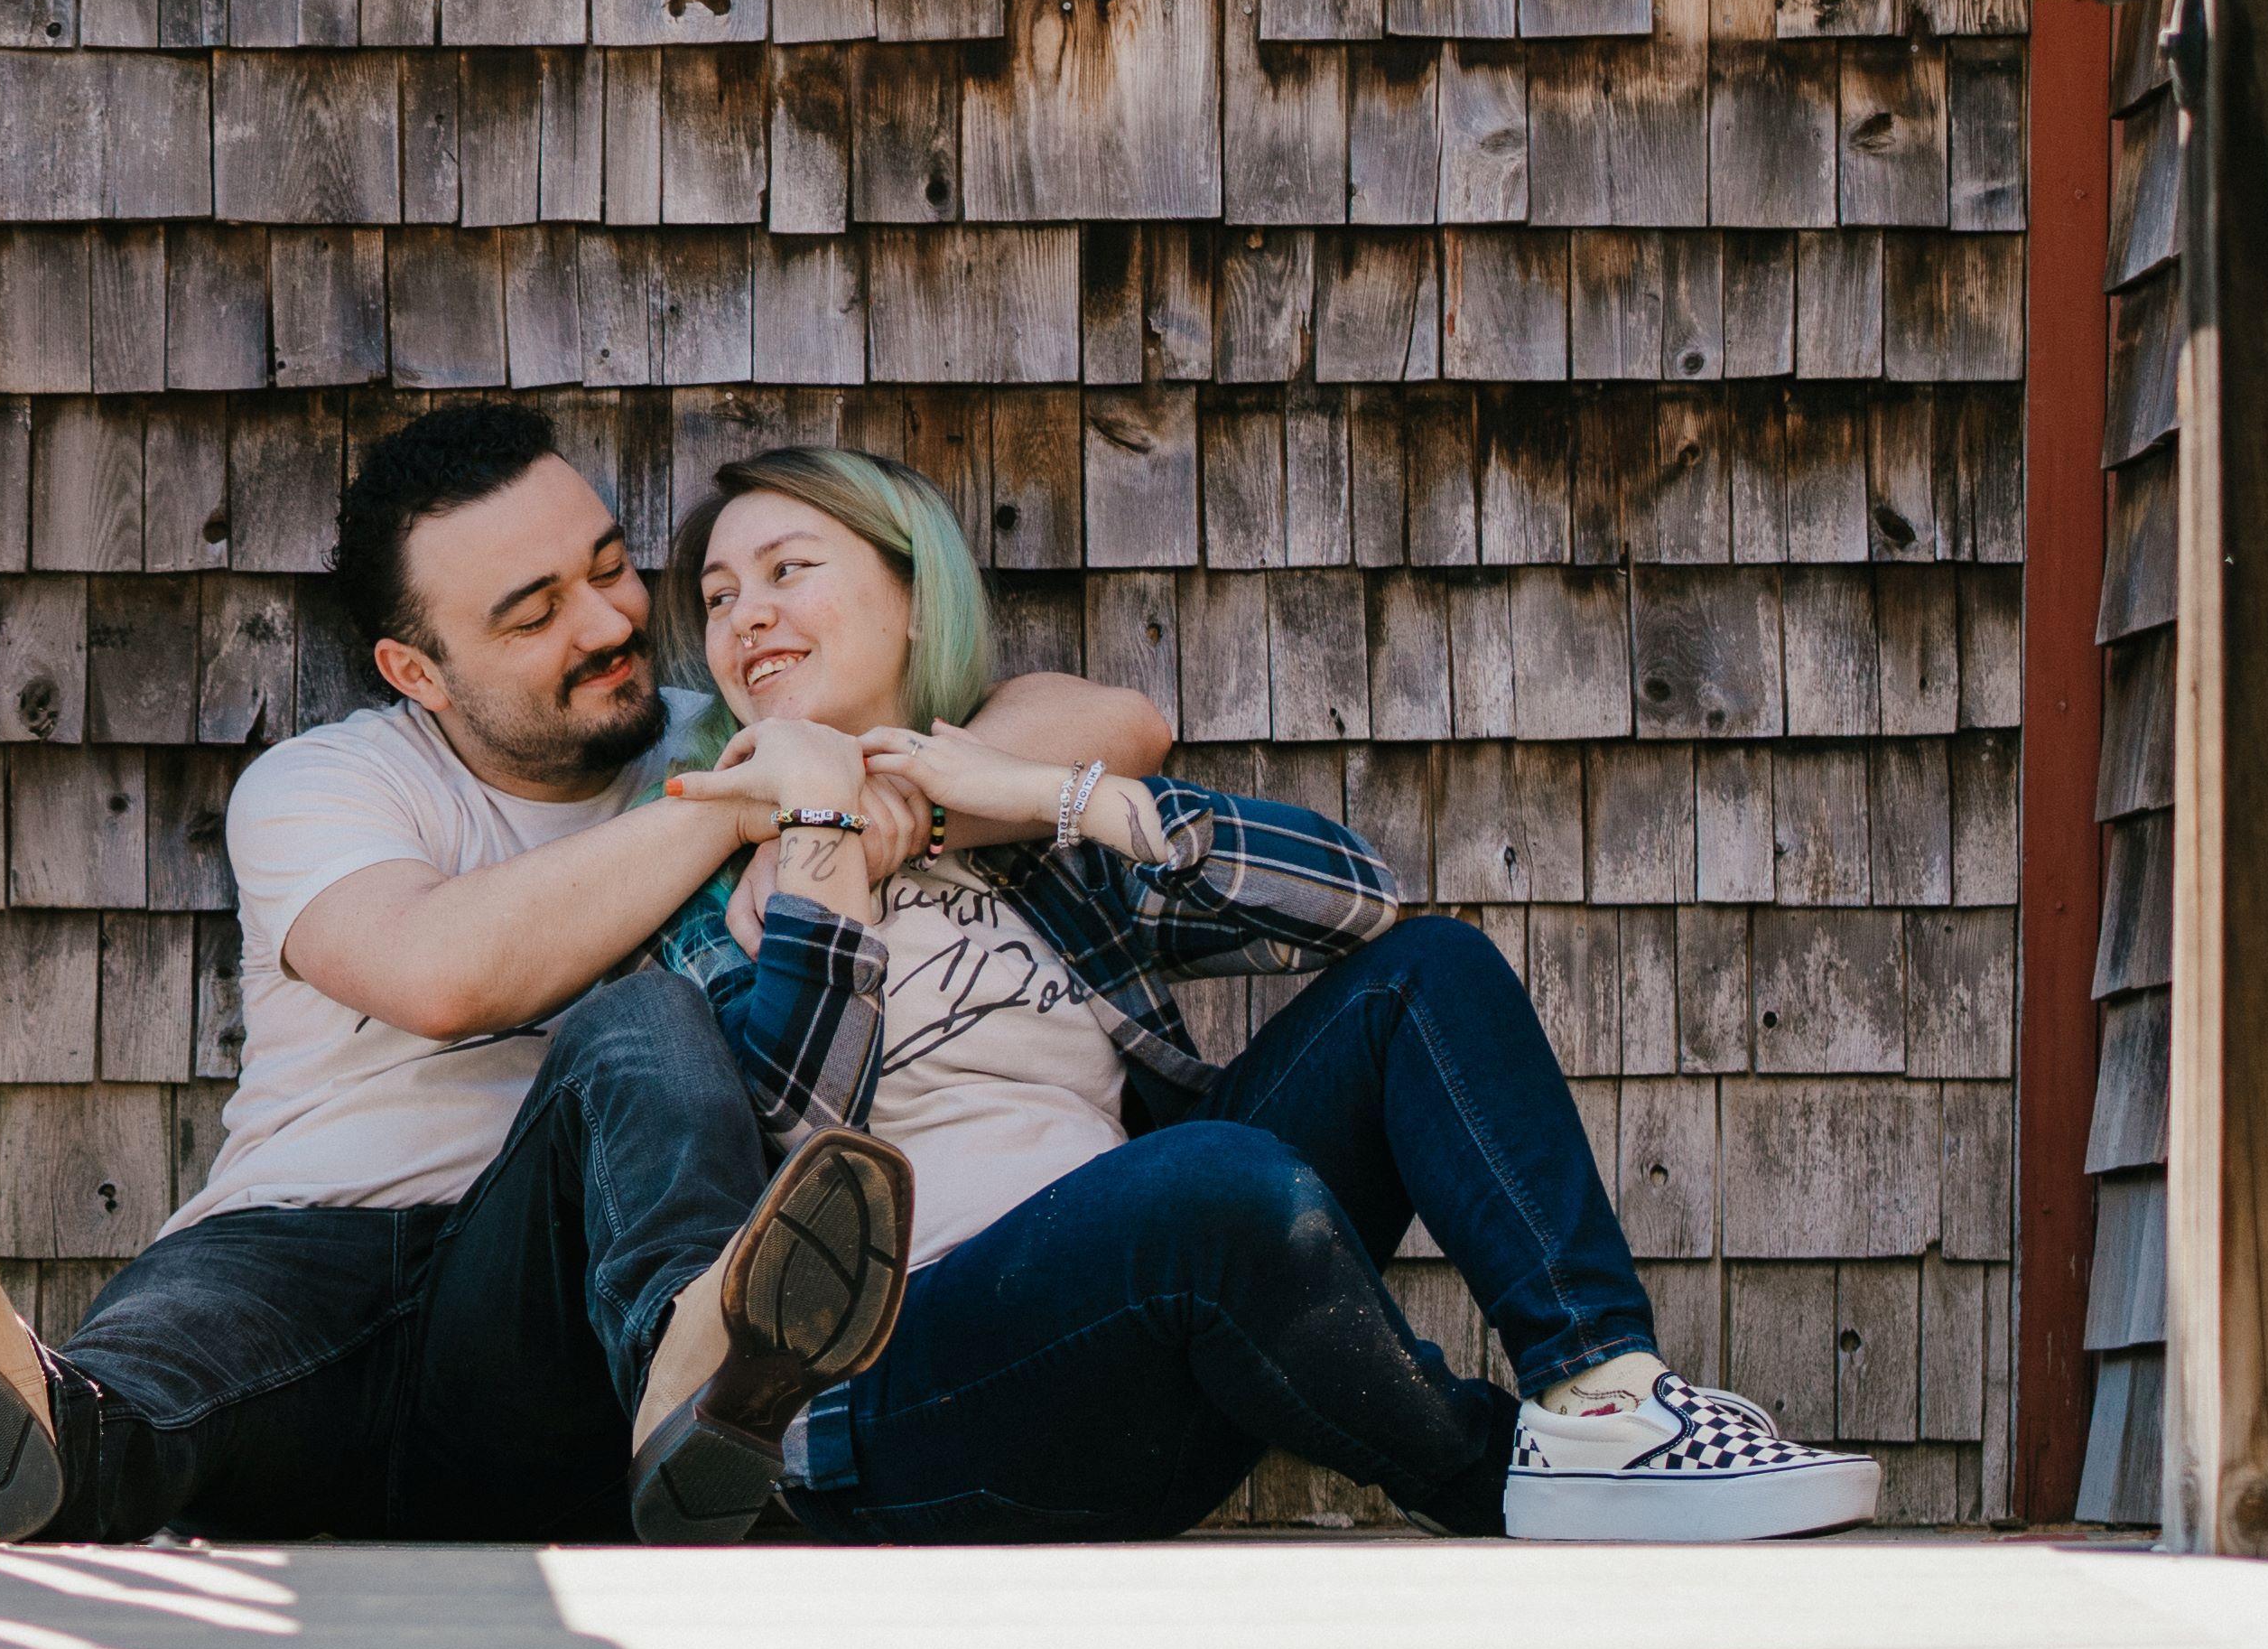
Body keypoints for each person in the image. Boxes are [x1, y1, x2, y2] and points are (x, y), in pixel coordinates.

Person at [0, 396, 1173, 1546]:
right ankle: (19, 1406)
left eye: (611, 566)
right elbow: (441, 971)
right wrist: (751, 807)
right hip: (304, 1252)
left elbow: (1102, 723)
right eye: (534, 615)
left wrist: (890, 787)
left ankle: (701, 1384)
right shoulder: (330, 785)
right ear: (420, 670)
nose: (609, 623)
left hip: (554, 1318)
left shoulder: (738, 726)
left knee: (644, 1023)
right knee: (157, 1378)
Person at [632, 443, 1874, 1542]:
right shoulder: (708, 896)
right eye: (721, 597)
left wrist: (1053, 797)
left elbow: (1358, 900)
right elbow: (803, 1127)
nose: (748, 615)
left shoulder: (1028, 851)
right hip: (922, 1395)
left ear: (915, 602)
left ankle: (1604, 1399)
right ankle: (1498, 1471)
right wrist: (819, 830)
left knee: (1428, 975)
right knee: (1208, 1178)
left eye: (788, 570)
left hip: (1160, 1325)